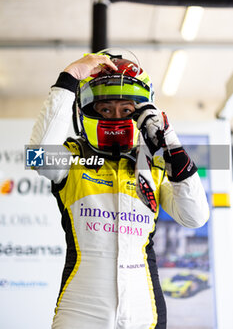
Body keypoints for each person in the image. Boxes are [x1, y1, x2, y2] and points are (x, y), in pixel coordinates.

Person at [30, 51, 209, 329]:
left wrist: (169, 140)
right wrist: (69, 77)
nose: (116, 116)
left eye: (127, 110)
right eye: (105, 109)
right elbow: (38, 157)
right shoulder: (73, 157)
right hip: (81, 307)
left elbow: (195, 216)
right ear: (86, 111)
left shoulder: (156, 164)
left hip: (143, 308)